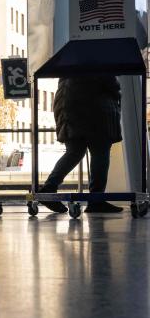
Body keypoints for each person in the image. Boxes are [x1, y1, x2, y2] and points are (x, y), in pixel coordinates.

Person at [38, 75, 123, 214]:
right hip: (96, 109)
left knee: (74, 152)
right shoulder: (98, 58)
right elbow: (111, 83)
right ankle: (96, 199)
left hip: (67, 104)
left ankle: (49, 188)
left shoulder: (70, 58)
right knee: (100, 152)